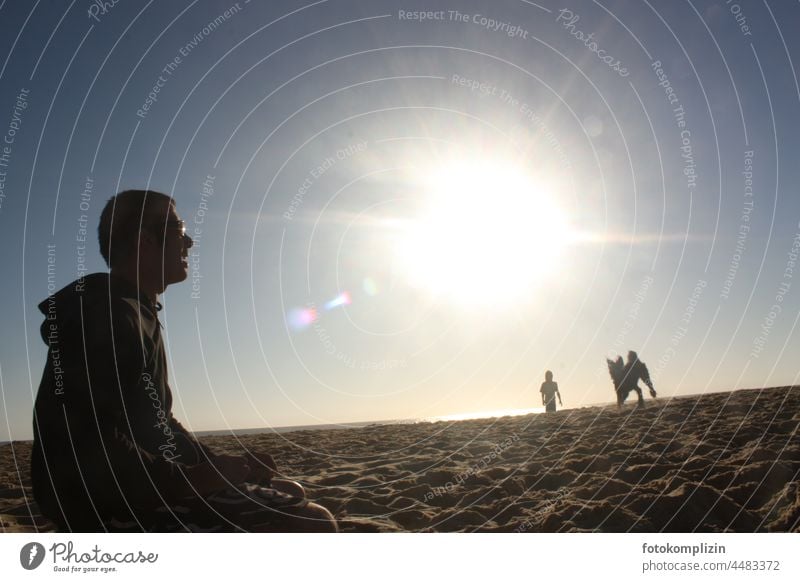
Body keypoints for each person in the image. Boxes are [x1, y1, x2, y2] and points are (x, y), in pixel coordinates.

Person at [31, 189, 337, 532]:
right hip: (106, 508)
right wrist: (187, 481)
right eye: (178, 230)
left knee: (288, 490)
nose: (188, 241)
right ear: (144, 241)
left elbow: (155, 420)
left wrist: (212, 464)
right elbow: (80, 435)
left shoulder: (135, 309)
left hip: (140, 490)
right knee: (312, 522)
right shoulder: (105, 313)